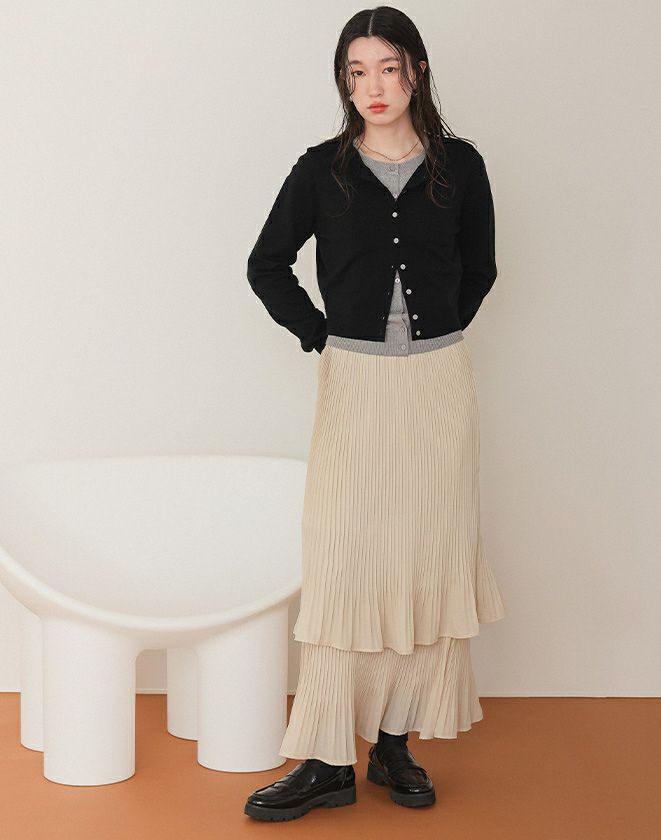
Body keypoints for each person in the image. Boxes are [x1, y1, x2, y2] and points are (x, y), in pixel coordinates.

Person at [243, 5, 505, 822]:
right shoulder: (321, 171)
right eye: (356, 73)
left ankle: (394, 744)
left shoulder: (461, 167)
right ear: (344, 83)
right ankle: (327, 760)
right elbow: (266, 264)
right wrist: (323, 333)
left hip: (440, 387)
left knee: (423, 557)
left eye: (388, 68)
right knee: (346, 559)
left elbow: (480, 269)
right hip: (354, 384)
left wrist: (433, 337)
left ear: (416, 71)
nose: (373, 87)